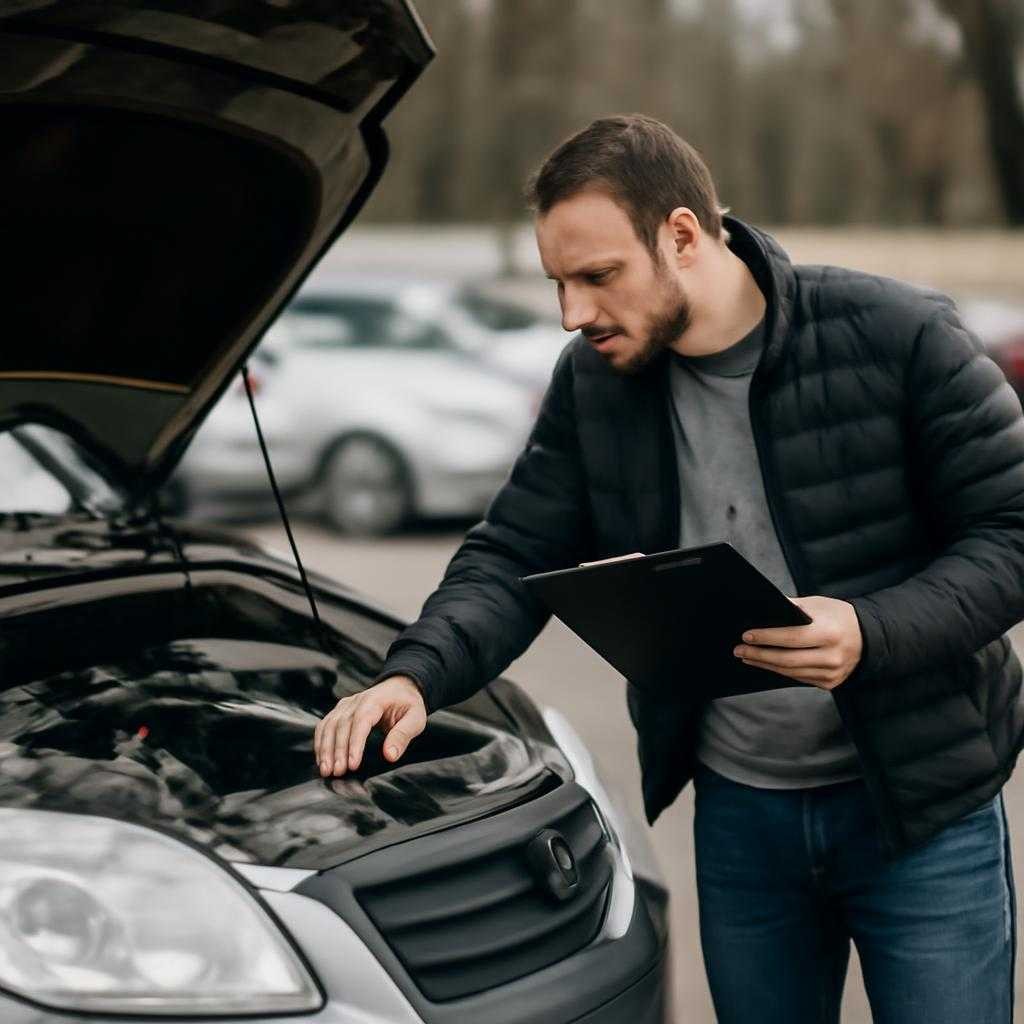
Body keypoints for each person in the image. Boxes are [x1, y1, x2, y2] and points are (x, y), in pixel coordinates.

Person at [312, 114, 1024, 1022]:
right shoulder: (594, 381)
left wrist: (872, 632)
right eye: (559, 282)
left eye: (598, 276)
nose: (573, 313)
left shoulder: (898, 336)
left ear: (683, 235)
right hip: (741, 819)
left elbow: (1012, 532)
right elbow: (517, 549)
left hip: (922, 813)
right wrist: (415, 676)